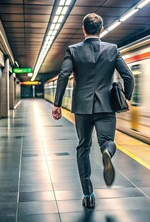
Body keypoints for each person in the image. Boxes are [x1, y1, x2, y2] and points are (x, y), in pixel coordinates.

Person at [51, 13, 134, 209]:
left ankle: (88, 195)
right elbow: (128, 76)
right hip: (106, 106)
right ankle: (106, 152)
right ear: (101, 29)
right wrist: (126, 98)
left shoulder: (73, 50)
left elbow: (63, 76)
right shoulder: (112, 49)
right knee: (107, 141)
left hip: (82, 107)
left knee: (83, 147)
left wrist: (57, 103)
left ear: (83, 29)